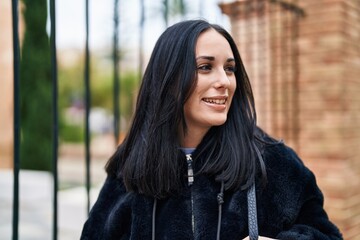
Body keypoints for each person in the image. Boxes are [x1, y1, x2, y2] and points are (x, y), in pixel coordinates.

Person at [80, 20, 342, 240]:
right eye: (205, 67)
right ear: (169, 80)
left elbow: (326, 234)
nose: (224, 81)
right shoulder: (129, 169)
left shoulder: (273, 162)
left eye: (229, 68)